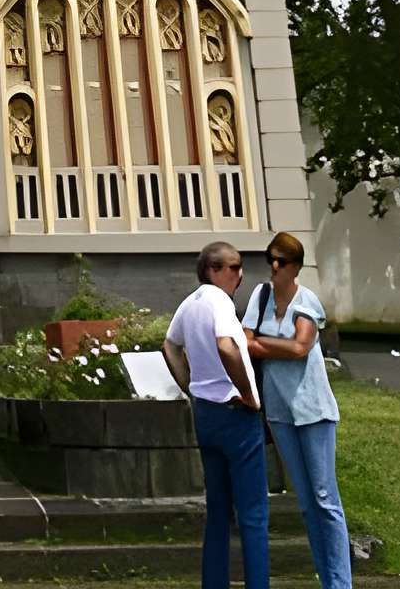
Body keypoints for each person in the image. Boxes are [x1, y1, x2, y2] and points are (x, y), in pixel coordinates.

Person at [244, 229, 351, 589]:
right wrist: (273, 344)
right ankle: (327, 578)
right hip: (279, 409)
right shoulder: (259, 299)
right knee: (306, 502)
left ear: (296, 266)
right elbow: (246, 343)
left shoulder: (307, 301)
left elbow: (300, 347)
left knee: (325, 499)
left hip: (313, 409)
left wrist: (262, 344)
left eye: (282, 260)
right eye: (270, 258)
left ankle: (340, 583)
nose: (274, 266)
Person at [164, 239, 270, 589]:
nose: (240, 275)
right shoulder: (219, 302)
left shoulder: (189, 303)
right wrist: (247, 394)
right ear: (213, 269)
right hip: (235, 412)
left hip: (206, 412)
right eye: (234, 267)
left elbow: (170, 345)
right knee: (253, 514)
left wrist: (189, 386)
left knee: (219, 512)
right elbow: (226, 345)